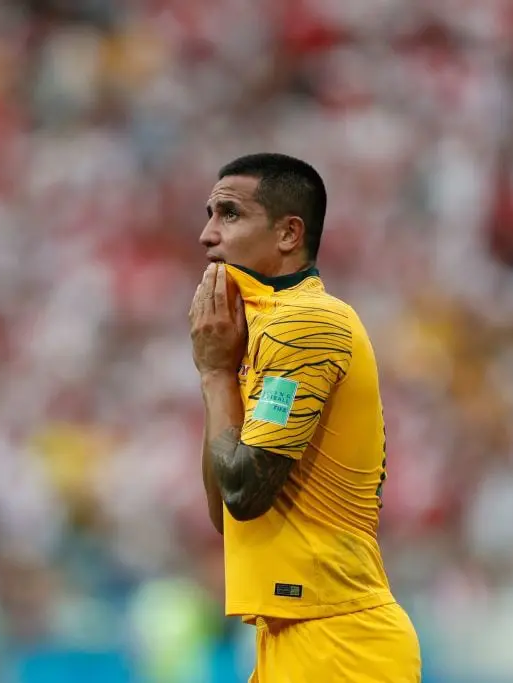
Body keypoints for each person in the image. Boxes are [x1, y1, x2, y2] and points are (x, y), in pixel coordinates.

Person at [189, 153, 422, 682]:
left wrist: (216, 375)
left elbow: (244, 493)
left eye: (230, 214)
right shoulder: (264, 331)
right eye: (210, 214)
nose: (207, 235)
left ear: (289, 233)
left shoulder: (308, 323)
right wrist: (220, 371)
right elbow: (226, 513)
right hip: (294, 636)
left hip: (339, 640)